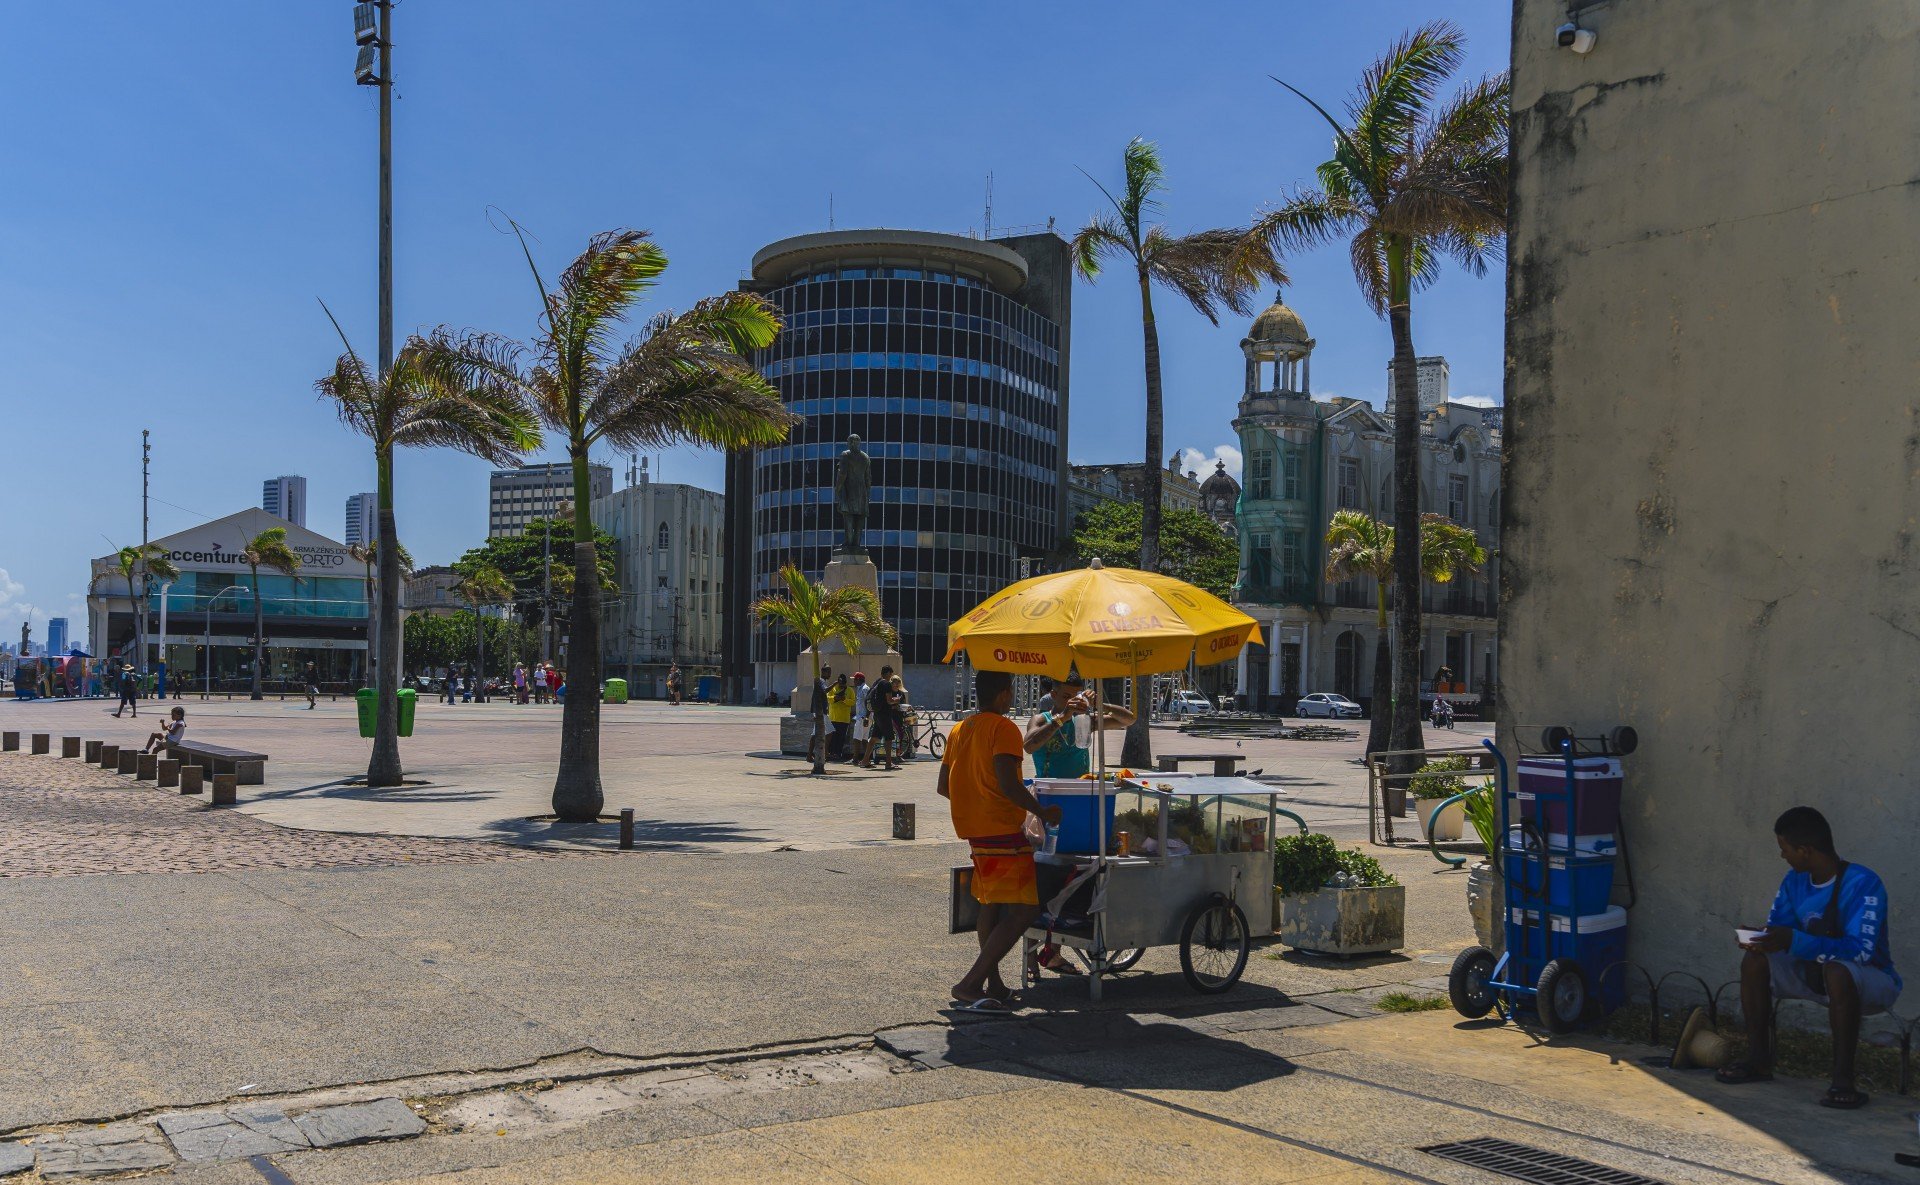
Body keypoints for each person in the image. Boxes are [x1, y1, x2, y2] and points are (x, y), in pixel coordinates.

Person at [1718, 807, 1901, 1109]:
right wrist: (1764, 939)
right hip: (1813, 973)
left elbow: (1862, 951)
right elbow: (1784, 929)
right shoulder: (1794, 881)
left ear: (1805, 850)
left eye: (1784, 849)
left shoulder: (1863, 883)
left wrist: (1794, 940)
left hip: (1869, 983)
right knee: (1755, 962)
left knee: (1838, 971)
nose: (1783, 856)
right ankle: (1758, 1060)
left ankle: (1843, 1080)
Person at [938, 669, 1063, 1012]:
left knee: (990, 905)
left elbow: (943, 786)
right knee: (1024, 910)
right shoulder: (1004, 729)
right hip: (1003, 832)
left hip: (976, 831)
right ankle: (970, 983)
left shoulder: (961, 729)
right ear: (1005, 693)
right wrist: (1042, 811)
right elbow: (1009, 785)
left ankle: (993, 982)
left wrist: (974, 803)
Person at [1024, 674, 1136, 780]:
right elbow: (1029, 747)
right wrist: (1062, 718)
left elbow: (1129, 720)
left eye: (1076, 697)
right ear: (1054, 695)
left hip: (1081, 786)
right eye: (1066, 697)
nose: (1072, 702)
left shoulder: (1083, 720)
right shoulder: (1041, 719)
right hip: (1050, 788)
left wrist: (1100, 705)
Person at [863, 665, 900, 770]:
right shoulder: (887, 684)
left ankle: (865, 760)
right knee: (889, 738)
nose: (891, 676)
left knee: (874, 737)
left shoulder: (877, 682)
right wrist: (896, 700)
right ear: (888, 673)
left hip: (877, 714)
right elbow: (889, 700)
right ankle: (888, 763)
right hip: (885, 714)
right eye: (891, 674)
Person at [826, 672, 854, 761]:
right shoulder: (832, 689)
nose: (841, 685)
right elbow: (828, 698)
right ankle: (830, 754)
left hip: (844, 719)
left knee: (841, 738)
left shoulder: (850, 690)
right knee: (832, 738)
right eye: (840, 683)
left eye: (843, 683)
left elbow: (853, 702)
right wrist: (835, 698)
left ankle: (838, 754)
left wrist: (844, 699)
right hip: (833, 718)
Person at [848, 672, 870, 766]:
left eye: (854, 679)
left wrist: (866, 717)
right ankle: (866, 759)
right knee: (864, 739)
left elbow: (868, 703)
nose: (853, 681)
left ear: (858, 680)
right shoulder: (860, 688)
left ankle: (855, 759)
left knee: (857, 738)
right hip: (862, 717)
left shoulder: (865, 689)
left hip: (862, 717)